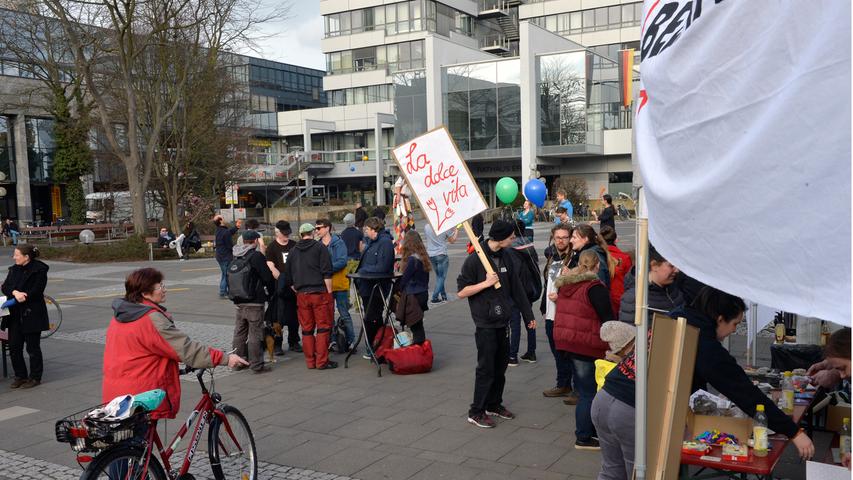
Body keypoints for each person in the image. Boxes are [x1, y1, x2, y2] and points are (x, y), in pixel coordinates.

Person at [676, 288, 814, 460]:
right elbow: (744, 392)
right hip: (646, 409)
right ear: (720, 319)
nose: (734, 331)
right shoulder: (705, 345)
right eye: (735, 324)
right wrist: (794, 432)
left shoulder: (681, 317)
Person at [103, 268, 248, 419]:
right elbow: (185, 349)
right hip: (142, 395)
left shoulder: (121, 316)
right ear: (145, 293)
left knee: (137, 440)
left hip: (117, 394)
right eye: (160, 287)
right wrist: (225, 358)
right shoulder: (151, 319)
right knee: (142, 438)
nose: (164, 290)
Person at [457, 220, 535, 429]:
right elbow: (461, 292)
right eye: (511, 236)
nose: (513, 239)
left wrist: (528, 316)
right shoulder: (475, 260)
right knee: (486, 368)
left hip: (504, 320)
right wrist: (485, 283)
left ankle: (494, 404)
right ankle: (476, 411)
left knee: (500, 367)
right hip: (485, 323)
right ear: (501, 237)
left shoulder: (507, 256)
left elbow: (517, 288)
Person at [552, 250, 613, 450]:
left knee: (584, 391)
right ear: (597, 266)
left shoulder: (567, 285)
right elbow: (608, 319)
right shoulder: (595, 288)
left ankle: (587, 432)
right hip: (588, 344)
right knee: (589, 393)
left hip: (569, 343)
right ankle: (584, 436)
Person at [285, 223, 336, 370]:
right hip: (319, 293)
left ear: (301, 235)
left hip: (302, 294)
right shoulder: (320, 248)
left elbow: (288, 277)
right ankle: (321, 361)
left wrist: (298, 289)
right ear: (312, 233)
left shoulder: (293, 251)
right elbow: (327, 273)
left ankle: (310, 362)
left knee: (307, 329)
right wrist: (329, 293)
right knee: (323, 327)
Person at [2, 245, 49, 388]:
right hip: (15, 314)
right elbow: (5, 287)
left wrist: (24, 296)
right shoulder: (14, 269)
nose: (14, 257)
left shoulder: (39, 270)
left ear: (26, 257)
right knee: (15, 347)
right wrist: (15, 293)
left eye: (17, 255)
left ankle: (35, 377)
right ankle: (20, 376)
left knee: (32, 348)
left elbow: (37, 290)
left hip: (32, 313)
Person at [541, 224, 577, 404]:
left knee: (570, 352)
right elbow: (547, 282)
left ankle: (577, 388)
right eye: (558, 238)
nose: (561, 241)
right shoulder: (551, 256)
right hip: (550, 313)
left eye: (564, 237)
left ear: (570, 238)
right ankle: (563, 383)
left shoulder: (576, 259)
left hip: (567, 312)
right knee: (557, 351)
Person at [230, 231, 274, 373]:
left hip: (238, 300)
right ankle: (256, 365)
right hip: (254, 301)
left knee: (239, 332)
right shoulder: (256, 256)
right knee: (255, 333)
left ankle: (238, 362)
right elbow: (267, 277)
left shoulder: (236, 254)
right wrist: (271, 293)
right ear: (255, 240)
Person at [355, 217, 395, 355]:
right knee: (372, 316)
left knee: (372, 317)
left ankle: (373, 346)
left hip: (377, 287)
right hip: (367, 286)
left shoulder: (385, 243)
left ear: (373, 229)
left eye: (366, 230)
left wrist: (364, 270)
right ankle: (375, 345)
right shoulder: (373, 242)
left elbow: (383, 267)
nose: (365, 233)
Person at [316, 218, 354, 352]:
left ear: (327, 228)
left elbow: (342, 261)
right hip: (326, 285)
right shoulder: (318, 244)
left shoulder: (338, 243)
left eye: (319, 228)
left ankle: (350, 341)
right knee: (328, 315)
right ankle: (332, 340)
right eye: (316, 228)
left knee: (344, 313)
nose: (317, 231)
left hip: (339, 284)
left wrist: (326, 270)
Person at [265, 220, 301, 355]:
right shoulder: (272, 248)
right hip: (279, 289)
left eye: (288, 233)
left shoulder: (294, 245)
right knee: (278, 318)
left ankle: (294, 341)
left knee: (294, 318)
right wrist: (283, 280)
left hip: (294, 289)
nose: (287, 236)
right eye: (284, 234)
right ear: (277, 233)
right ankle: (278, 344)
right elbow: (271, 266)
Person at [507, 220, 540, 366]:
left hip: (516, 291)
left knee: (515, 323)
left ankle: (512, 355)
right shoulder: (530, 246)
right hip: (529, 289)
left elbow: (510, 273)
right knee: (529, 319)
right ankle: (531, 352)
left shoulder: (509, 249)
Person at [397, 231, 429, 345]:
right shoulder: (423, 257)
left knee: (415, 325)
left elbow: (404, 279)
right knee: (418, 324)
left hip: (414, 295)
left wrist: (399, 289)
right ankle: (421, 348)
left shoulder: (412, 260)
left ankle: (418, 350)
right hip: (423, 293)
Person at [569, 224, 615, 290]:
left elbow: (599, 283)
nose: (571, 240)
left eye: (574, 237)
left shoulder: (593, 255)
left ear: (585, 239)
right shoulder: (581, 254)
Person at [599, 226, 632, 315]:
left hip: (600, 298)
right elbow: (629, 281)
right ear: (615, 240)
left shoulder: (597, 256)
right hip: (619, 300)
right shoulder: (625, 258)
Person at [423, 222, 458, 304]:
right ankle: (434, 297)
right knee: (441, 277)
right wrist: (456, 230)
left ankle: (443, 295)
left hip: (431, 254)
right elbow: (452, 240)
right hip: (441, 254)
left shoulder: (426, 226)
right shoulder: (444, 226)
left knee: (439, 276)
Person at [214, 215, 241, 299]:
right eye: (222, 217)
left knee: (225, 273)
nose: (224, 218)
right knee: (226, 274)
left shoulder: (219, 230)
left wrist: (236, 227)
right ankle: (223, 292)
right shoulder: (224, 231)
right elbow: (229, 244)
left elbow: (228, 232)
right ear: (221, 221)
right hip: (225, 255)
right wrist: (235, 250)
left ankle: (227, 291)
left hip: (219, 255)